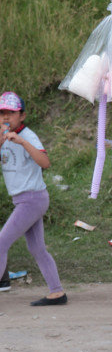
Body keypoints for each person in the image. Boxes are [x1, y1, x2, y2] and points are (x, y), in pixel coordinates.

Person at [0, 91, 67, 306]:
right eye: (2, 113)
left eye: (11, 113)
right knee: (37, 248)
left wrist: (21, 142)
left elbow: (45, 162)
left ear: (22, 115)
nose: (6, 117)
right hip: (22, 200)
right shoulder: (3, 138)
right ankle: (57, 292)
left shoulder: (27, 136)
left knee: (1, 243)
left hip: (32, 199)